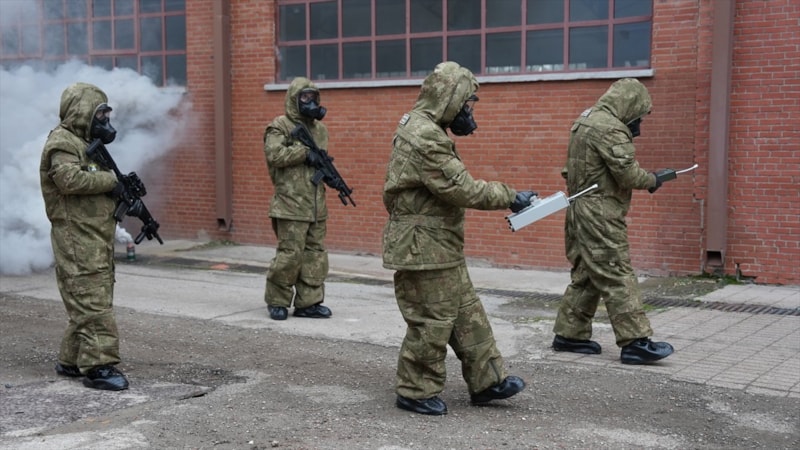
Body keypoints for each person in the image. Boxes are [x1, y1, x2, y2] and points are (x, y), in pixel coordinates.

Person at [382, 61, 534, 416]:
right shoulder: (425, 136)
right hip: (422, 248)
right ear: (448, 99)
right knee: (432, 320)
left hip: (438, 244)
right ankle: (415, 390)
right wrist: (511, 196)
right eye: (466, 103)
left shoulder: (425, 126)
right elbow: (462, 188)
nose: (469, 111)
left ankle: (487, 381)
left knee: (467, 313)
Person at [552, 77, 674, 365]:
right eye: (638, 117)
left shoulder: (585, 119)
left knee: (587, 273)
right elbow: (627, 174)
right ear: (629, 105)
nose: (638, 124)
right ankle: (635, 342)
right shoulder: (610, 127)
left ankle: (570, 334)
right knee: (617, 272)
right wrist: (653, 179)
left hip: (579, 207)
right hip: (601, 213)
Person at [39, 82, 129, 390]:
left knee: (90, 300)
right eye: (100, 114)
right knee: (93, 304)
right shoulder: (62, 142)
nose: (105, 120)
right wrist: (110, 182)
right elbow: (69, 179)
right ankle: (99, 366)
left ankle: (71, 360)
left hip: (93, 238)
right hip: (77, 240)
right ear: (82, 112)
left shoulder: (84, 142)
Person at [262, 77, 333, 321]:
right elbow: (275, 155)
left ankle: (309, 303)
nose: (309, 101)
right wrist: (304, 152)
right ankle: (277, 301)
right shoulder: (279, 126)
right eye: (304, 97)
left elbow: (318, 162)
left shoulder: (320, 130)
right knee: (289, 256)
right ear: (294, 99)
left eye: (313, 97)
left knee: (315, 256)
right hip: (290, 205)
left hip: (316, 206)